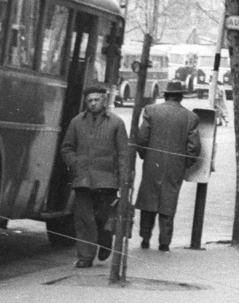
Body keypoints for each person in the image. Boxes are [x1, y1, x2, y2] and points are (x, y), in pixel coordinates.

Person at [60, 84, 132, 268]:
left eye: (97, 100)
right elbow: (67, 148)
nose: (93, 103)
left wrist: (124, 178)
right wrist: (75, 164)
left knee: (104, 217)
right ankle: (85, 256)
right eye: (90, 100)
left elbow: (124, 153)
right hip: (83, 179)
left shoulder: (116, 123)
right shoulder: (77, 122)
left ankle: (105, 238)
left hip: (107, 180)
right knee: (84, 219)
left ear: (104, 100)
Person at [133, 79, 202, 251]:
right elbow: (194, 148)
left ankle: (145, 238)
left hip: (152, 163)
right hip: (175, 166)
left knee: (148, 200)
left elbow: (141, 138)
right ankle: (164, 242)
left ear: (166, 95)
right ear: (181, 97)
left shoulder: (151, 110)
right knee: (168, 202)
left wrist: (145, 156)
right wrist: (184, 163)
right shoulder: (191, 117)